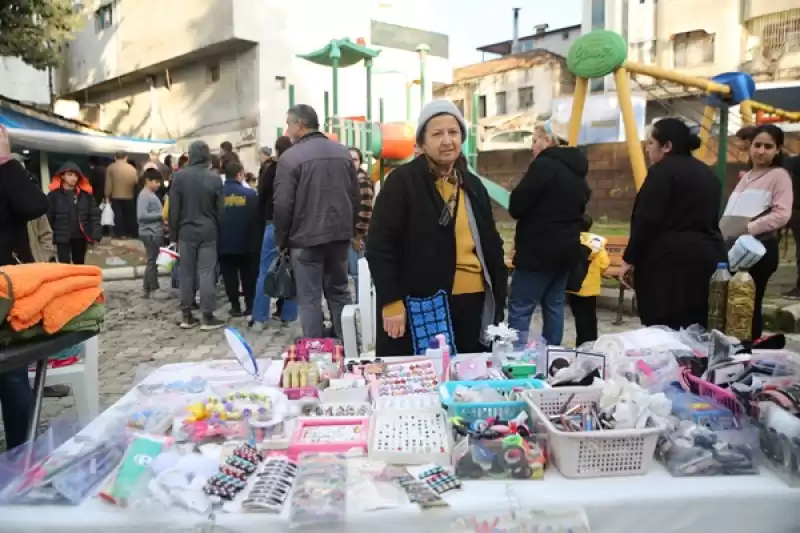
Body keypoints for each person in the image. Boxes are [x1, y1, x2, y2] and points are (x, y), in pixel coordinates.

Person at [366, 100, 507, 356]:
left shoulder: (473, 185)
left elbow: (491, 242)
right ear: (422, 142)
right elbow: (379, 245)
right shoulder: (403, 182)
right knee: (420, 376)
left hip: (472, 300)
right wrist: (391, 301)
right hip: (419, 301)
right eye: (437, 133)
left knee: (468, 375)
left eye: (453, 133)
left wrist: (499, 294)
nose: (447, 141)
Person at [621, 118, 726, 330]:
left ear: (667, 146)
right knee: (697, 329)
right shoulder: (707, 173)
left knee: (666, 331)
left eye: (651, 143)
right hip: (707, 258)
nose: (648, 148)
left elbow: (646, 219)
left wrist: (629, 258)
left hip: (668, 266)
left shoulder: (661, 172)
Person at [275, 104, 357, 339]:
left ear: (299, 125)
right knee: (340, 292)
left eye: (289, 125)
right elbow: (355, 195)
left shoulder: (290, 158)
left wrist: (282, 240)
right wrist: (350, 230)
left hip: (305, 239)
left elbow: (282, 205)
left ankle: (316, 350)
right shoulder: (342, 152)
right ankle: (348, 343)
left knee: (309, 299)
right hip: (339, 236)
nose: (287, 130)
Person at [507, 122, 590, 346]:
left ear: (549, 141)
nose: (532, 147)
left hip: (537, 250)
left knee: (521, 306)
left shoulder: (544, 166)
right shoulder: (578, 171)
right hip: (567, 250)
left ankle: (515, 359)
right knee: (554, 306)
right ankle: (551, 355)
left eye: (535, 140)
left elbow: (517, 205)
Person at [720, 124, 793, 340]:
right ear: (750, 147)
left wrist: (748, 229)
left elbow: (782, 214)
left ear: (778, 150)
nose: (761, 151)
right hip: (732, 246)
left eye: (768, 146)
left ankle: (748, 351)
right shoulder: (748, 175)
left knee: (747, 305)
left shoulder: (779, 176)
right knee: (730, 304)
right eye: (757, 145)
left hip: (757, 249)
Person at [0, 124, 48, 450]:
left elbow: (34, 206)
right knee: (13, 375)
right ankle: (23, 455)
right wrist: (6, 160)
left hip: (9, 287)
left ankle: (22, 455)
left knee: (13, 375)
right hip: (5, 287)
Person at [169, 140, 225, 330]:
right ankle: (207, 316)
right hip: (208, 230)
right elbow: (221, 210)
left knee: (186, 272)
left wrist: (173, 234)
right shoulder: (215, 178)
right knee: (207, 272)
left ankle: (186, 315)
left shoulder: (179, 177)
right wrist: (219, 229)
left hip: (185, 231)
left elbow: (174, 209)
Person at [252, 138, 298, 329]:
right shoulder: (298, 168)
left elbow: (261, 197)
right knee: (293, 270)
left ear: (277, 152)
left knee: (265, 270)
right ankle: (289, 315)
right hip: (296, 226)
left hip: (273, 224)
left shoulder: (270, 169)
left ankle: (260, 318)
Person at [218, 163, 259, 317]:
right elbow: (257, 218)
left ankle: (235, 306)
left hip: (224, 242)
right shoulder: (251, 194)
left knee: (229, 276)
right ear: (239, 175)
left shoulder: (218, 195)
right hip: (248, 243)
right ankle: (250, 305)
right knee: (249, 276)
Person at [566, 214, 609, 346]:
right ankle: (591, 341)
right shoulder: (597, 242)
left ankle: (581, 341)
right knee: (590, 316)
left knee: (579, 316)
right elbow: (604, 263)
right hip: (591, 287)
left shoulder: (572, 240)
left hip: (574, 286)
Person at [47, 162, 102, 264]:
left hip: (80, 237)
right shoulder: (53, 196)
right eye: (70, 175)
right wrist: (48, 239)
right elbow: (48, 217)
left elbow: (94, 216)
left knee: (79, 265)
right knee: (64, 266)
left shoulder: (86, 196)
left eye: (75, 175)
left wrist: (96, 235)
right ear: (62, 176)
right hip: (61, 238)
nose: (73, 178)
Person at [347, 147, 373, 301]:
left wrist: (358, 236)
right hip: (349, 234)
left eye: (355, 159)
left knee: (358, 274)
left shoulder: (362, 180)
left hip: (357, 235)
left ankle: (361, 308)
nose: (351, 163)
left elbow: (366, 210)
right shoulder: (349, 179)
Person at [138, 169, 165, 298]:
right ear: (147, 181)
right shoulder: (145, 195)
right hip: (150, 232)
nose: (158, 184)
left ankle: (146, 289)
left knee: (151, 260)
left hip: (152, 231)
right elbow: (141, 215)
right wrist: (161, 215)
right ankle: (154, 289)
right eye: (156, 182)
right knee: (152, 261)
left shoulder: (149, 194)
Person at [105, 150, 139, 238]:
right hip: (129, 195)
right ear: (126, 157)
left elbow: (109, 183)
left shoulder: (111, 167)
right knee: (130, 216)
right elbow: (136, 181)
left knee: (118, 215)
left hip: (116, 195)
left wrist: (107, 195)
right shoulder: (132, 169)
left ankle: (120, 234)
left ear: (115, 157)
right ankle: (132, 233)